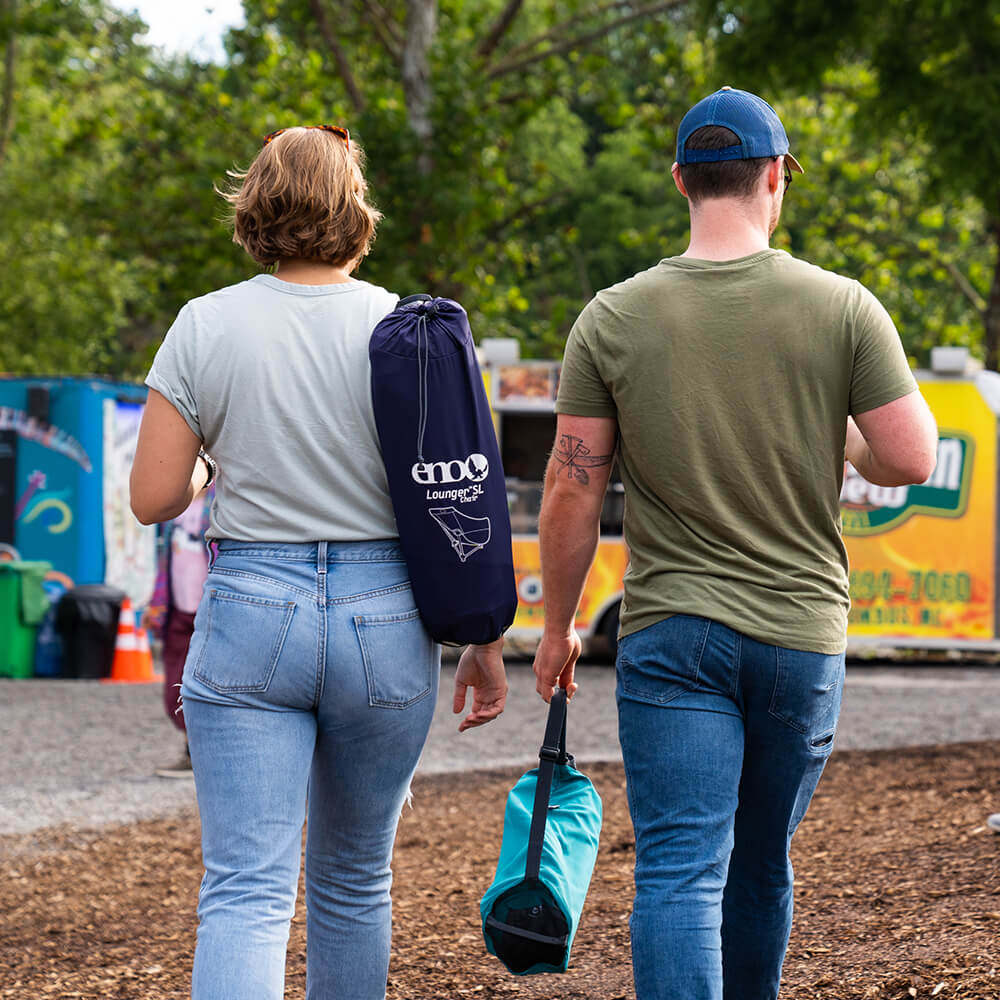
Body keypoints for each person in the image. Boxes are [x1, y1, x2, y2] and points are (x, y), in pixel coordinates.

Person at [532, 87, 939, 1000]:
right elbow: (908, 456)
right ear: (774, 177)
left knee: (680, 868)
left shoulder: (612, 317)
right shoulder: (843, 308)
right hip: (801, 634)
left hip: (673, 631)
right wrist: (830, 426)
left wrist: (558, 630)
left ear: (681, 180)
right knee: (759, 864)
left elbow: (572, 486)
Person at [129, 124, 508, 1000]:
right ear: (355, 211)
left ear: (254, 205)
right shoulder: (404, 326)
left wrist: (204, 467)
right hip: (387, 615)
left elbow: (154, 497)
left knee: (247, 891)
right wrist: (483, 642)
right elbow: (458, 491)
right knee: (351, 881)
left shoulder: (206, 324)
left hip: (254, 606)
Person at [143, 486, 214, 778]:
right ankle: (190, 751)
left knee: (210, 684)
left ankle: (208, 753)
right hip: (178, 608)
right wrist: (156, 603)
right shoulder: (174, 510)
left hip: (210, 611)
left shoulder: (219, 504)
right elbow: (165, 565)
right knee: (175, 682)